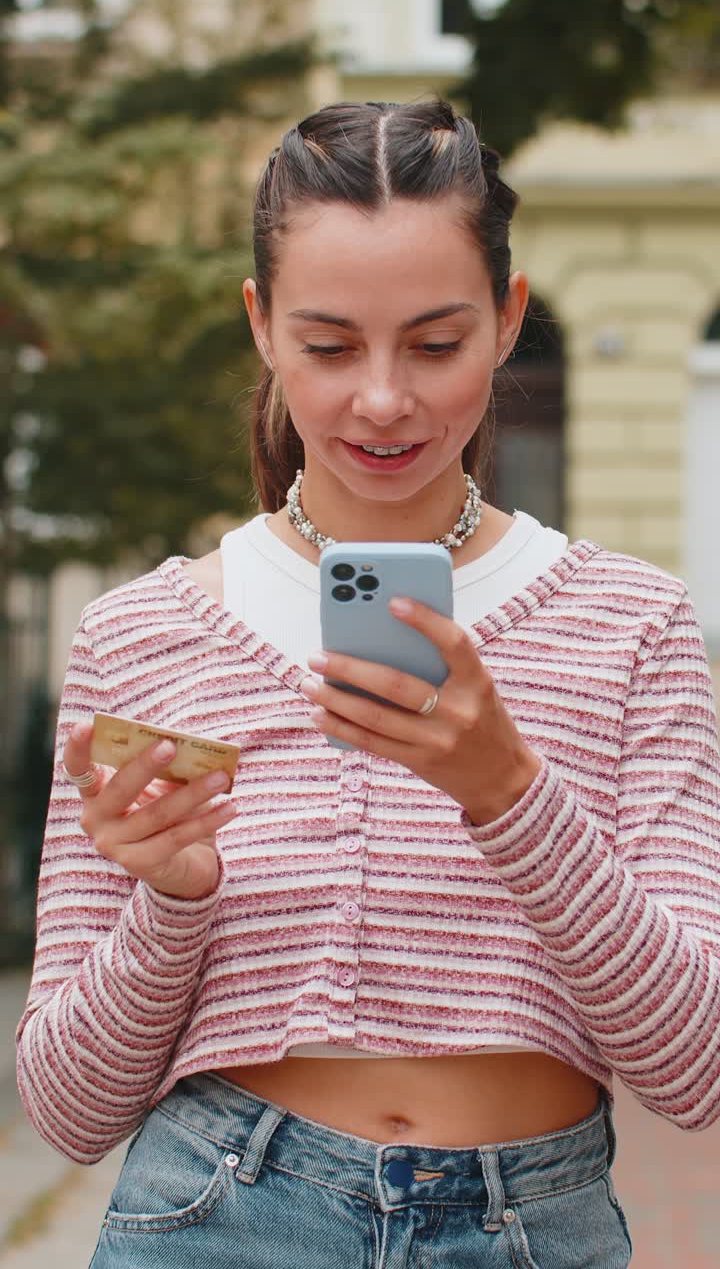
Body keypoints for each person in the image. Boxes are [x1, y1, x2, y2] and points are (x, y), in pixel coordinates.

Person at [15, 98, 720, 1268]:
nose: (384, 399)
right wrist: (173, 901)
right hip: (215, 1218)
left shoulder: (630, 626)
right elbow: (68, 1109)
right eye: (331, 346)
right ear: (263, 326)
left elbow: (694, 1067)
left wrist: (509, 792)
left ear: (508, 318)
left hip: (532, 1229)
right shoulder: (142, 636)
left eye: (435, 345)